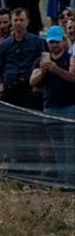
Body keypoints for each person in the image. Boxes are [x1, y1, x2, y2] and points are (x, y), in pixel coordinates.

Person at [29, 26, 75, 186]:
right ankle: (63, 179)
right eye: (51, 42)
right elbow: (32, 81)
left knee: (70, 146)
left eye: (56, 41)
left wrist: (57, 70)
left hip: (69, 107)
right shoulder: (41, 61)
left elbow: (72, 77)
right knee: (57, 147)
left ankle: (70, 180)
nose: (53, 45)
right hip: (50, 108)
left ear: (63, 41)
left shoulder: (70, 58)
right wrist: (43, 72)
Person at [0, 8, 46, 109]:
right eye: (15, 20)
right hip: (9, 90)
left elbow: (42, 64)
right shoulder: (4, 44)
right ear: (11, 22)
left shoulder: (37, 42)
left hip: (29, 90)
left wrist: (38, 85)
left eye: (21, 20)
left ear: (27, 22)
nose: (18, 23)